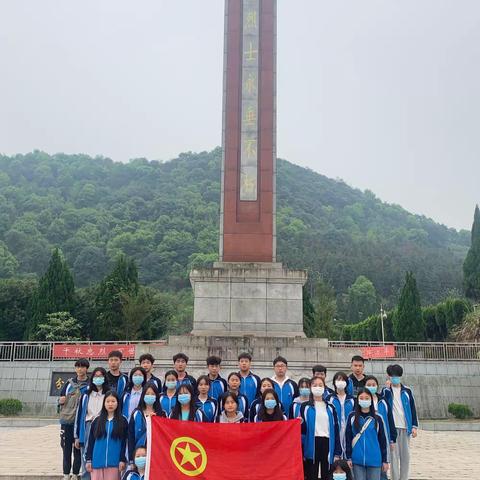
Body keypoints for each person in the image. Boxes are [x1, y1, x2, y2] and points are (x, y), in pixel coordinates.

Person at [300, 377, 341, 480]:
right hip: (312, 442)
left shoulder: (331, 407)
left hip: (327, 442)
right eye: (314, 385)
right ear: (310, 388)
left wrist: (337, 451)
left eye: (320, 385)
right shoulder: (305, 407)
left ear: (324, 387)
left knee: (326, 474)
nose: (317, 387)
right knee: (312, 474)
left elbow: (336, 429)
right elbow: (303, 430)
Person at [382, 364, 418, 480]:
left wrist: (414, 426)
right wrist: (387, 389)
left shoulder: (407, 391)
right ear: (389, 376)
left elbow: (413, 409)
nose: (395, 378)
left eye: (397, 375)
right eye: (393, 376)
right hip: (392, 429)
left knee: (405, 457)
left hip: (405, 427)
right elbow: (383, 406)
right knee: (393, 457)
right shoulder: (385, 390)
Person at [75, 367, 110, 480]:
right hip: (87, 427)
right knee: (85, 456)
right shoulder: (85, 394)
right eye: (96, 376)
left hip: (102, 426)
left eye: (100, 376)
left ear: (105, 378)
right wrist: (76, 436)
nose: (98, 378)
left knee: (98, 454)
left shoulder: (108, 395)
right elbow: (79, 415)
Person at [345, 388, 388, 480]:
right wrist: (348, 457)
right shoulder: (352, 417)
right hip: (357, 460)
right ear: (358, 400)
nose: (364, 400)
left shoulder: (378, 418)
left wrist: (385, 460)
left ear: (371, 400)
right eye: (361, 398)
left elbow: (383, 440)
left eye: (367, 398)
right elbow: (347, 438)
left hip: (375, 460)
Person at [85, 391, 128, 480]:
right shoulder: (97, 420)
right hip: (97, 463)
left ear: (118, 403)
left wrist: (122, 459)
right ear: (104, 403)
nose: (110, 404)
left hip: (114, 464)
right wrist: (88, 459)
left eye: (113, 401)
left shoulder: (123, 420)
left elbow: (124, 442)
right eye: (107, 401)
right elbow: (90, 442)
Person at [59, 358, 90, 480]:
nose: (80, 369)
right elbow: (61, 398)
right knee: (66, 448)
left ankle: (76, 473)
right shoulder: (69, 383)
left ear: (87, 369)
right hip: (67, 421)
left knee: (78, 447)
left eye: (82, 367)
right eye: (77, 367)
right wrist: (60, 401)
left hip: (81, 421)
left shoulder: (89, 385)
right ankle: (66, 474)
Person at [364, 375, 396, 479]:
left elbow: (390, 420)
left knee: (383, 465)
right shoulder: (360, 401)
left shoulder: (383, 401)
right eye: (369, 385)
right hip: (367, 438)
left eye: (373, 385)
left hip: (382, 437)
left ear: (377, 386)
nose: (371, 387)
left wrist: (392, 439)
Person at [128, 384, 163, 463]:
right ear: (143, 396)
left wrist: (154, 420)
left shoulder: (162, 414)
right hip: (139, 455)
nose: (150, 396)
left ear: (156, 396)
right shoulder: (136, 413)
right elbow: (131, 437)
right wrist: (131, 459)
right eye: (147, 394)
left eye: (152, 394)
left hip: (156, 455)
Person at [328, 372, 355, 459]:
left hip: (349, 431)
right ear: (334, 382)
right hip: (335, 431)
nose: (340, 382)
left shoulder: (352, 400)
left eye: (343, 380)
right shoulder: (329, 398)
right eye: (338, 379)